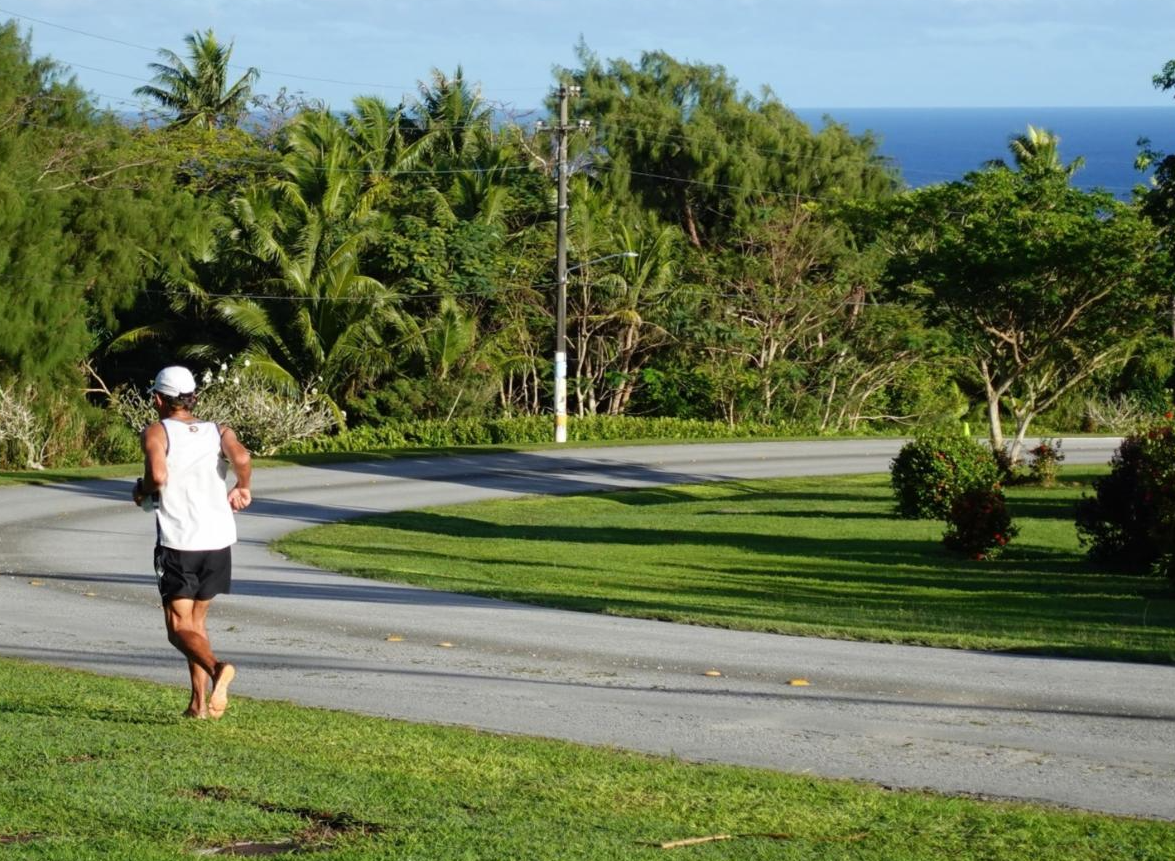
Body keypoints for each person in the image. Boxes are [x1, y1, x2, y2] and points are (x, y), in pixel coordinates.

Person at [132, 365, 252, 719]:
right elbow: (242, 458)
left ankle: (218, 669)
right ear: (192, 398)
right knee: (196, 625)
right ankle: (198, 704)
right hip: (218, 540)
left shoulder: (157, 431)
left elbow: (157, 475)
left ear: (158, 399)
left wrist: (142, 490)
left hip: (179, 541)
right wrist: (243, 486)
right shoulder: (218, 430)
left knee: (177, 629)